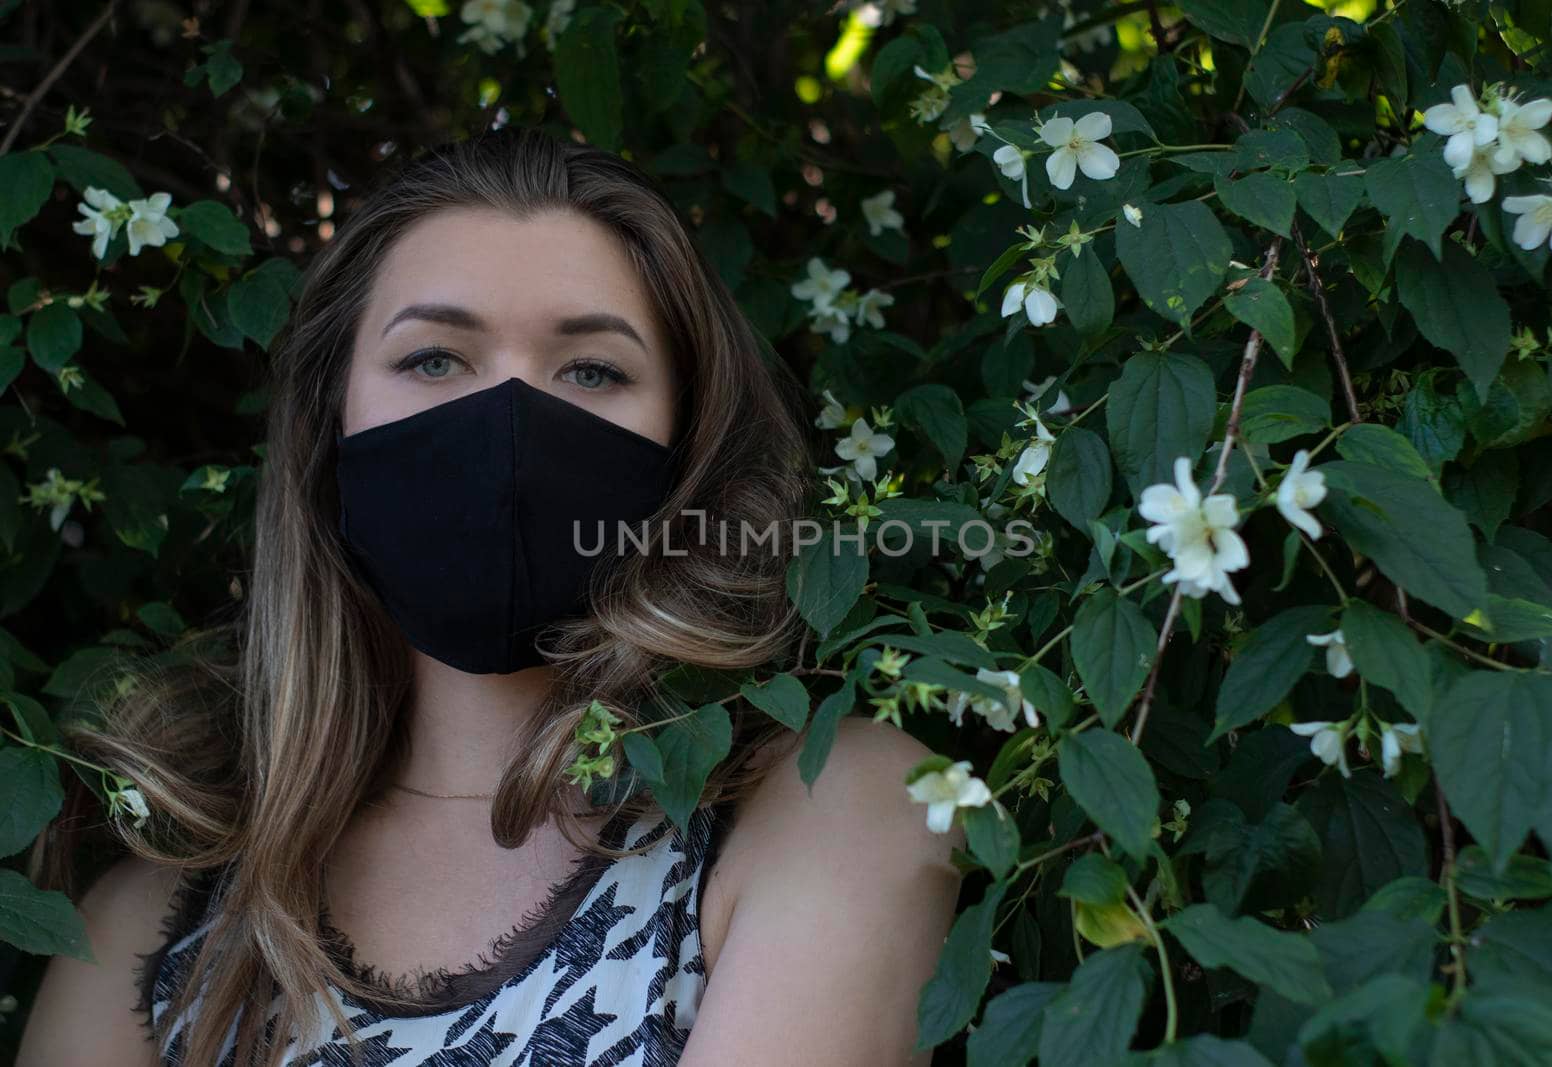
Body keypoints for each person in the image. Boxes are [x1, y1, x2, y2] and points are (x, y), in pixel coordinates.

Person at [17, 125, 965, 1066]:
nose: (508, 429)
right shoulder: (162, 921)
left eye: (591, 370)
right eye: (434, 359)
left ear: (691, 445)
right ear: (329, 423)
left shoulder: (829, 805)